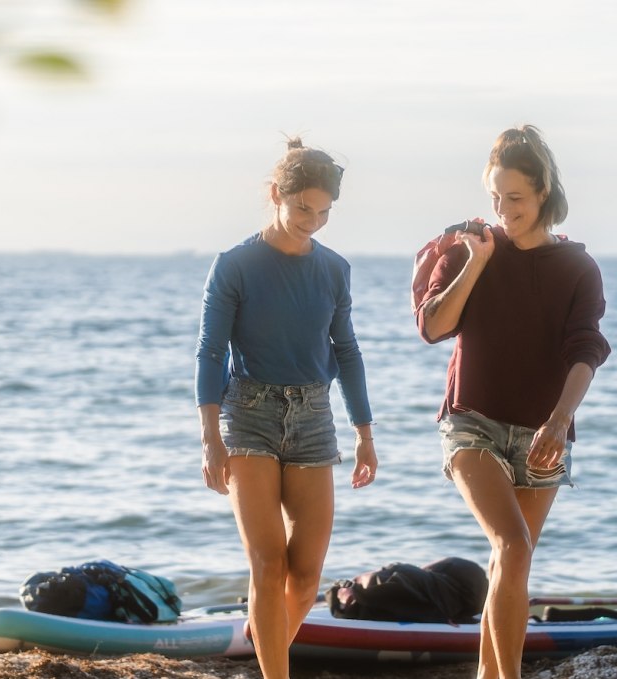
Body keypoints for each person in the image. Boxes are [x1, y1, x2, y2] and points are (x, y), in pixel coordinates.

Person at [414, 125, 610, 679]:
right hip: (470, 423)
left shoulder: (578, 268)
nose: (503, 210)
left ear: (543, 191)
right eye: (496, 198)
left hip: (542, 433)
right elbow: (433, 327)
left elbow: (586, 349)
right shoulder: (474, 247)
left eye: (515, 199)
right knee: (513, 545)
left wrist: (559, 420)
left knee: (512, 560)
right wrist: (476, 262)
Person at [194, 136, 378, 679]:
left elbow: (346, 350)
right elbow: (210, 351)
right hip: (247, 413)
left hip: (314, 418)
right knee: (268, 565)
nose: (313, 221)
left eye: (323, 213)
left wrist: (364, 432)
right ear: (277, 194)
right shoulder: (235, 265)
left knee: (305, 576)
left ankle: (266, 637)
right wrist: (210, 439)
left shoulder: (334, 269)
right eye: (303, 209)